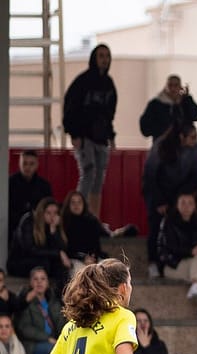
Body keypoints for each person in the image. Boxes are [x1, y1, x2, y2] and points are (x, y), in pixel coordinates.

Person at [62, 44, 117, 221]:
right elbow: (69, 106)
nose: (104, 59)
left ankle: (93, 218)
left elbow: (110, 114)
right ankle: (77, 215)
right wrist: (73, 133)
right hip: (84, 136)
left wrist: (111, 136)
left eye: (107, 56)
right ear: (94, 57)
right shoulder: (83, 81)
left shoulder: (109, 84)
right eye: (101, 55)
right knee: (89, 172)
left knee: (99, 178)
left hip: (102, 138)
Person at [142, 122, 197, 278]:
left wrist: (182, 196)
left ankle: (173, 263)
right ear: (181, 137)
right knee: (156, 225)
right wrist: (159, 201)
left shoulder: (195, 149)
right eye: (192, 137)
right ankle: (153, 263)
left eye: (196, 137)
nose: (195, 140)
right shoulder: (161, 146)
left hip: (179, 192)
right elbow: (150, 175)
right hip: (157, 190)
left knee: (177, 224)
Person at [158, 193, 197, 321]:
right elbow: (168, 248)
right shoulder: (169, 222)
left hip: (195, 265)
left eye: (190, 203)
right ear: (177, 205)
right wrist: (191, 251)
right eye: (183, 202)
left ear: (195, 206)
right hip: (173, 265)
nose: (186, 206)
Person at [8, 197, 72, 285]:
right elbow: (30, 249)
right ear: (42, 213)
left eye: (55, 213)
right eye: (48, 213)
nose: (52, 216)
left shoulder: (54, 225)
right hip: (20, 261)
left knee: (61, 266)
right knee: (44, 264)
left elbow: (63, 248)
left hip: (43, 259)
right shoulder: (28, 221)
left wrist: (53, 232)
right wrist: (58, 253)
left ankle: (62, 295)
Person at [16, 267, 67, 354]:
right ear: (30, 282)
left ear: (48, 282)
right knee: (56, 352)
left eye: (43, 279)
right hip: (34, 345)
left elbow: (62, 322)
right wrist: (47, 338)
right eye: (35, 279)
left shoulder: (53, 300)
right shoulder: (25, 302)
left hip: (55, 341)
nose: (39, 282)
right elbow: (25, 329)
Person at [139, 74, 197, 142]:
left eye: (176, 85)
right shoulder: (156, 104)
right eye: (170, 85)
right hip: (163, 145)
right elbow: (145, 127)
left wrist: (188, 99)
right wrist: (162, 131)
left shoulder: (185, 102)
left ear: (180, 87)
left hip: (185, 145)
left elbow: (196, 115)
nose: (173, 89)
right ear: (166, 87)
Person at [62, 190, 107, 275]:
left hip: (92, 257)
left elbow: (96, 244)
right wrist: (83, 258)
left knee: (104, 269)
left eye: (79, 202)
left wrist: (93, 258)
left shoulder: (92, 221)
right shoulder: (64, 223)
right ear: (68, 205)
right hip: (74, 258)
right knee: (80, 271)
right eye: (73, 202)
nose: (76, 205)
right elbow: (67, 248)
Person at [8, 150, 53, 232]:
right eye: (24, 163)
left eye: (31, 164)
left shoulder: (44, 186)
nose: (28, 167)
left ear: (37, 165)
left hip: (37, 229)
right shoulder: (9, 183)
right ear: (19, 164)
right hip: (13, 228)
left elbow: (49, 208)